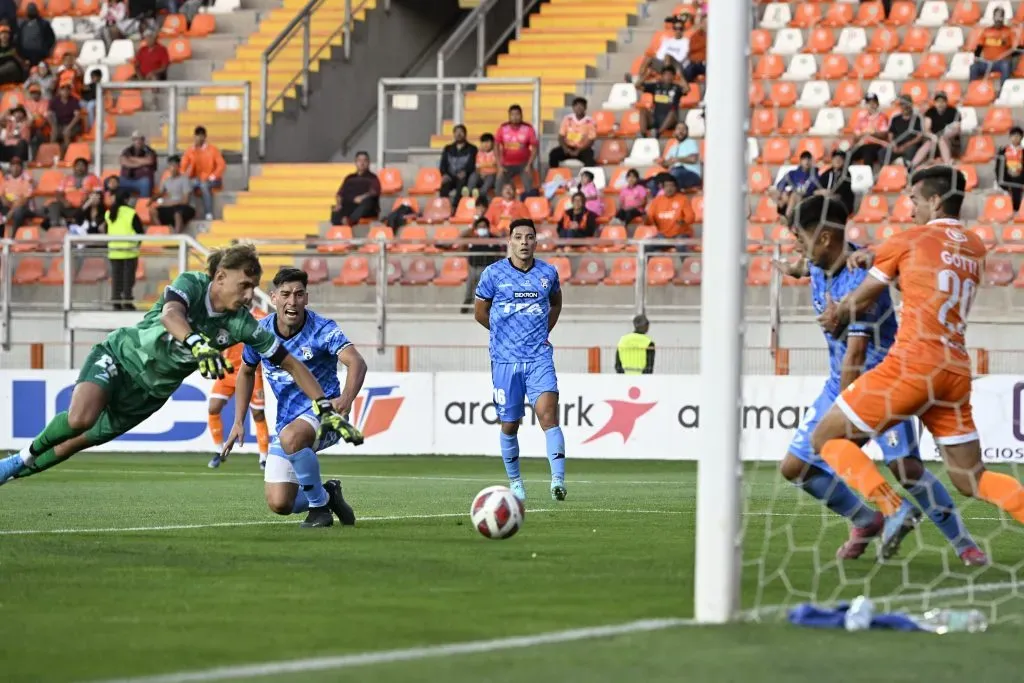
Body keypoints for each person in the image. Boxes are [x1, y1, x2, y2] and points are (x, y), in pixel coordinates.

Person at [0, 244, 357, 491]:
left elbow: (292, 364)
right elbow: (172, 315)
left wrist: (325, 405)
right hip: (120, 357)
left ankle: (13, 475)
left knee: (75, 443)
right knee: (80, 418)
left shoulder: (243, 325)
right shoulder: (192, 283)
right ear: (220, 277)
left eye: (253, 287)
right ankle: (17, 461)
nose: (250, 295)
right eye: (245, 285)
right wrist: (197, 342)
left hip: (148, 395)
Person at [814, 166, 1024, 545]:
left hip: (912, 364)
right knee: (971, 478)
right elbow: (924, 274)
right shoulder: (975, 247)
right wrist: (878, 258)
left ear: (934, 200)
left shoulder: (906, 240)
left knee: (827, 439)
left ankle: (893, 508)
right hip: (954, 370)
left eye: (913, 198)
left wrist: (836, 315)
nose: (909, 206)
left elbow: (860, 302)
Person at [776, 194, 985, 565]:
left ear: (824, 237)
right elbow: (812, 266)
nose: (799, 247)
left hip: (882, 378)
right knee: (796, 468)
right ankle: (866, 519)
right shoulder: (822, 261)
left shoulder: (861, 283)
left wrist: (846, 419)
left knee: (905, 469)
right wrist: (796, 267)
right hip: (837, 378)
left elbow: (856, 355)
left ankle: (963, 543)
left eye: (802, 239)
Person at [223, 267, 367, 528]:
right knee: (280, 503)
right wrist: (237, 421)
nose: (293, 301)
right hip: (287, 423)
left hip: (326, 414)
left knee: (291, 437)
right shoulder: (259, 333)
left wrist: (345, 401)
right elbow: (245, 372)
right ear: (273, 297)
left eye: (299, 294)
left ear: (307, 299)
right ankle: (328, 494)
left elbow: (356, 362)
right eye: (286, 294)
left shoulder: (322, 329)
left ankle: (319, 511)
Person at [474, 217, 566, 502]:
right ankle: (515, 483)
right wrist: (503, 334)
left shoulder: (548, 273)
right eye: (518, 237)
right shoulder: (493, 274)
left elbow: (556, 303)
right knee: (510, 424)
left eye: (529, 237)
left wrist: (542, 331)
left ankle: (557, 481)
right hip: (504, 360)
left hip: (539, 357)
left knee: (549, 417)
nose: (524, 242)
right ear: (510, 241)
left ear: (536, 241)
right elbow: (480, 312)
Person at [205, 307, 270, 470]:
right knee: (213, 407)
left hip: (251, 373)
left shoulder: (261, 316)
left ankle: (264, 458)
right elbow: (215, 339)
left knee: (258, 414)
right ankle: (219, 451)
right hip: (228, 372)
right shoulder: (225, 315)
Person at [105, 190, 143, 310]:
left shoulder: (109, 213)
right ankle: (127, 301)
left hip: (114, 251)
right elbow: (140, 231)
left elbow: (107, 230)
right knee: (128, 279)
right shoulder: (131, 213)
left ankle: (116, 301)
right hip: (129, 251)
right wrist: (137, 244)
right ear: (126, 199)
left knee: (116, 279)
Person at [181, 125, 225, 220]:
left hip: (214, 179)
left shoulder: (213, 149)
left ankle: (208, 213)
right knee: (187, 185)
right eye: (197, 136)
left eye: (201, 136)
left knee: (204, 185)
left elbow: (221, 165)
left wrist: (212, 176)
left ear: (204, 137)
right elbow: (183, 165)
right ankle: (189, 212)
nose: (199, 138)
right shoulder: (190, 150)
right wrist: (184, 175)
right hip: (198, 179)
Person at [495, 104, 538, 196]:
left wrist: (529, 164)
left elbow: (534, 148)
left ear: (521, 115)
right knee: (499, 183)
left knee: (529, 186)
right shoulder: (503, 128)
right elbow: (496, 146)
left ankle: (527, 202)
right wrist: (499, 165)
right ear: (509, 116)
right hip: (506, 164)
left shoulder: (528, 129)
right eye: (512, 115)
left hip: (523, 164)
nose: (515, 117)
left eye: (517, 114)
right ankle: (499, 204)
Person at [48, 156, 101, 229]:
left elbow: (98, 193)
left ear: (87, 167)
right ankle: (55, 226)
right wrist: (64, 202)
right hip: (68, 206)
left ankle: (82, 224)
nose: (80, 168)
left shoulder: (93, 178)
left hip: (84, 207)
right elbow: (58, 193)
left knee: (94, 201)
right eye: (78, 165)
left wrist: (88, 198)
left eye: (82, 165)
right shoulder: (66, 178)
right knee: (53, 205)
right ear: (74, 167)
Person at [330, 151, 380, 226]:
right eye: (359, 160)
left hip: (365, 207)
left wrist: (362, 197)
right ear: (356, 162)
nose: (362, 163)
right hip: (351, 205)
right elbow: (340, 194)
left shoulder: (373, 178)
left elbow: (374, 192)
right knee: (336, 209)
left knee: (369, 201)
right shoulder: (349, 178)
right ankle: (341, 224)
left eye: (365, 160)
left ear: (368, 163)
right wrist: (339, 204)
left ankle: (351, 220)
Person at [637, 65, 687, 139]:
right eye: (666, 74)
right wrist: (646, 75)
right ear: (662, 76)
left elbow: (687, 89)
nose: (668, 77)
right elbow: (637, 85)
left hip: (670, 121)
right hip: (656, 119)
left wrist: (681, 77)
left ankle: (658, 133)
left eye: (670, 75)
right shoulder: (656, 86)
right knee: (643, 110)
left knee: (672, 112)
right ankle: (643, 133)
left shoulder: (676, 88)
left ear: (673, 77)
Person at [151, 154, 196, 232]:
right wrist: (153, 199)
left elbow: (185, 201)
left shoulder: (185, 180)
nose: (171, 168)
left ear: (178, 167)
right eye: (170, 166)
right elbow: (160, 193)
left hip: (184, 207)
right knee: (153, 211)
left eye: (174, 166)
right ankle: (162, 233)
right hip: (171, 207)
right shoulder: (167, 181)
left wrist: (169, 203)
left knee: (177, 214)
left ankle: (177, 238)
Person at [548, 97, 596, 169]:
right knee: (554, 154)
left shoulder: (590, 121)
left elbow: (591, 140)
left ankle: (586, 178)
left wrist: (579, 150)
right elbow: (561, 136)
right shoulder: (567, 119)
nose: (579, 108)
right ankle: (555, 176)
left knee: (590, 158)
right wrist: (565, 149)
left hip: (582, 149)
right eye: (576, 106)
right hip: (568, 147)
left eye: (581, 106)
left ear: (585, 108)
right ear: (573, 108)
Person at [770, 151, 819, 220]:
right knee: (775, 192)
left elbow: (814, 188)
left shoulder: (815, 174)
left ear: (811, 161)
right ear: (800, 161)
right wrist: (783, 192)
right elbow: (781, 184)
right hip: (792, 197)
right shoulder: (793, 173)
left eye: (809, 159)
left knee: (795, 195)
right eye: (804, 159)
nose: (807, 161)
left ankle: (789, 217)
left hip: (807, 197)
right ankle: (785, 213)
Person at [656, 121, 701, 190]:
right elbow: (667, 164)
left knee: (675, 174)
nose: (681, 131)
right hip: (675, 172)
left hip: (691, 174)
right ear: (675, 132)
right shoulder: (673, 148)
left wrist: (678, 159)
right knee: (656, 180)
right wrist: (661, 162)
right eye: (679, 129)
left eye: (683, 129)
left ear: (687, 132)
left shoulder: (691, 142)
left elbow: (693, 159)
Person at [438, 124, 476, 204]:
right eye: (456, 132)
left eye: (461, 132)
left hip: (464, 177)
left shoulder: (472, 148)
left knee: (461, 183)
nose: (459, 134)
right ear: (454, 134)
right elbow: (443, 164)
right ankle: (444, 207)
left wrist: (465, 172)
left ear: (465, 134)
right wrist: (444, 174)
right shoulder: (448, 148)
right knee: (444, 184)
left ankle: (456, 207)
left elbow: (472, 164)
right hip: (450, 176)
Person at [811, 149, 854, 216]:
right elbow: (814, 191)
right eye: (835, 158)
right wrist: (821, 192)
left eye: (840, 159)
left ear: (844, 161)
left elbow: (840, 195)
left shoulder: (847, 174)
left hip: (842, 205)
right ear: (832, 160)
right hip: (825, 201)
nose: (837, 160)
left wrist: (828, 194)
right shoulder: (826, 173)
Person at [118, 130, 156, 197]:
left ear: (143, 140)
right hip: (127, 179)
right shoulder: (128, 150)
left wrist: (131, 159)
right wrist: (140, 163)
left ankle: (143, 205)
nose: (138, 141)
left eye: (140, 139)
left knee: (145, 182)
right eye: (135, 139)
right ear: (133, 140)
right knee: (114, 181)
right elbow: (123, 161)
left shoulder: (149, 151)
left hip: (142, 180)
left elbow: (149, 161)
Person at [997, 126, 1024, 212]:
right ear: (1010, 137)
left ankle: (1017, 209)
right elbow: (999, 167)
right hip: (1007, 177)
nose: (1015, 138)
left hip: (1020, 178)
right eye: (1013, 135)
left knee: (1017, 183)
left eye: (1018, 135)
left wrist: (1018, 174)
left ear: (1021, 137)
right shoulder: (1003, 150)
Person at [468, 132, 497, 199]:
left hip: (492, 175)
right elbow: (477, 166)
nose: (486, 144)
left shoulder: (496, 153)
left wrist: (487, 173)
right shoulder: (479, 153)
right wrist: (480, 173)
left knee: (490, 178)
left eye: (488, 142)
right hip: (481, 175)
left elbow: (496, 166)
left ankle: (481, 193)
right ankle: (469, 191)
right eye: (483, 142)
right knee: (473, 175)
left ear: (493, 143)